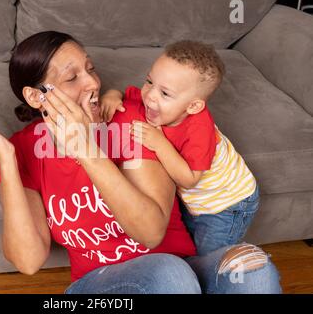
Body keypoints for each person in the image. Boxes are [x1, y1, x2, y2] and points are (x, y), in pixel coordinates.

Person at [0, 31, 281, 293]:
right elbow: (28, 261)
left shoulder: (129, 120)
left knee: (253, 268)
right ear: (36, 97)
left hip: (182, 268)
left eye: (90, 69)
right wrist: (7, 161)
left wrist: (87, 150)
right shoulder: (24, 149)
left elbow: (151, 232)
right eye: (73, 77)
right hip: (102, 285)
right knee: (170, 276)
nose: (92, 83)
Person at [102, 40, 260, 256]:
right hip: (197, 200)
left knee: (209, 256)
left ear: (193, 106)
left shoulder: (199, 130)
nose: (150, 96)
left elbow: (188, 179)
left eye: (165, 93)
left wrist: (159, 144)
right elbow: (125, 93)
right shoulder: (151, 99)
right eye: (149, 81)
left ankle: (235, 266)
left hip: (227, 204)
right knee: (189, 239)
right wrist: (112, 95)